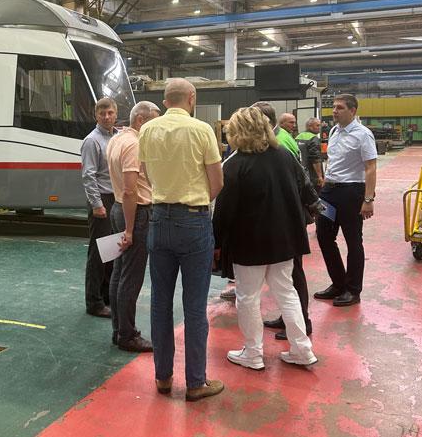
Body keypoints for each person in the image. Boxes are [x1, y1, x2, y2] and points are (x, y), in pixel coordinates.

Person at [139, 78, 224, 402]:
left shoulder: (148, 130)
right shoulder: (201, 130)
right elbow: (217, 182)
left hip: (159, 219)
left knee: (160, 303)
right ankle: (195, 382)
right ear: (192, 98)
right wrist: (196, 199)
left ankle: (163, 377)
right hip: (193, 221)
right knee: (194, 306)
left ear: (164, 101)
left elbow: (145, 173)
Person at [213, 107, 318, 369]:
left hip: (249, 242)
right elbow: (305, 186)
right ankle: (302, 349)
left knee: (248, 296)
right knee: (286, 291)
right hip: (285, 238)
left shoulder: (234, 165)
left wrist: (216, 241)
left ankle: (253, 353)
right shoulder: (284, 155)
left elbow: (224, 210)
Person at [252, 102, 315, 341]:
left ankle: (302, 322)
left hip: (289, 215)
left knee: (294, 272)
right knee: (287, 275)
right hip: (287, 214)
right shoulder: (276, 139)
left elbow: (299, 181)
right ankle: (288, 318)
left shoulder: (280, 143)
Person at [314, 94, 377, 307]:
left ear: (353, 110)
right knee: (323, 236)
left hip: (351, 193)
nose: (334, 111)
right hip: (329, 192)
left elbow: (371, 167)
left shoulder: (363, 135)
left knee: (353, 240)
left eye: (340, 107)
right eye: (334, 107)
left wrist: (368, 199)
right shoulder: (334, 131)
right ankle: (339, 283)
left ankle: (353, 290)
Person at [107, 101, 160, 352]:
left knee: (119, 272)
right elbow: (130, 190)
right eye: (154, 122)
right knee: (131, 276)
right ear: (141, 120)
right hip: (134, 213)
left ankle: (119, 330)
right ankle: (128, 335)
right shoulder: (134, 144)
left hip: (119, 208)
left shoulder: (117, 139)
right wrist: (129, 230)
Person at [81, 97, 118, 318]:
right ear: (95, 115)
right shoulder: (91, 141)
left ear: (116, 114)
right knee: (97, 254)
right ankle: (93, 302)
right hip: (102, 200)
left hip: (115, 199)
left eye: (110, 113)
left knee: (111, 251)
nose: (106, 117)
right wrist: (97, 204)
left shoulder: (117, 137)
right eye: (102, 113)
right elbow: (88, 176)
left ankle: (106, 296)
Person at [296, 118, 324, 189]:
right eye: (317, 125)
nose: (319, 127)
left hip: (300, 173)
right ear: (310, 126)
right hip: (312, 175)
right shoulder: (313, 139)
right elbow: (316, 159)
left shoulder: (298, 137)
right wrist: (320, 176)